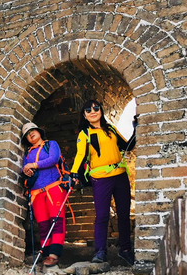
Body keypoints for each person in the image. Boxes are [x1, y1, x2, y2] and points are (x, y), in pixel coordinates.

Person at [71, 100, 136, 266]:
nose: (93, 111)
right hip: (100, 177)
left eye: (96, 108)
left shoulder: (111, 129)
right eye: (88, 110)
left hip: (120, 175)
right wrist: (73, 173)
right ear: (84, 115)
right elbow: (80, 155)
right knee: (102, 216)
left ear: (101, 110)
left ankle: (125, 250)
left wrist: (136, 128)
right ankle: (100, 252)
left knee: (123, 214)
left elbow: (127, 146)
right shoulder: (84, 133)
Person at [21, 122, 69, 268]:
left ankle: (54, 254)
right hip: (36, 193)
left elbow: (53, 159)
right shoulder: (27, 153)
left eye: (32, 130)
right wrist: (26, 171)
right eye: (27, 134)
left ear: (39, 131)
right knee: (42, 225)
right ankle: (46, 253)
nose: (31, 134)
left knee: (56, 221)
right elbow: (24, 168)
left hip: (53, 188)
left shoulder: (51, 144)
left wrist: (33, 165)